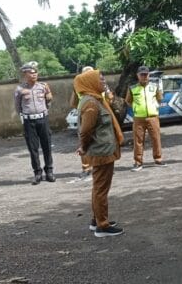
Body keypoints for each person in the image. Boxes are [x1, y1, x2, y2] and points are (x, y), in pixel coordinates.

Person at [74, 69, 124, 237]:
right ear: (91, 83)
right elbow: (85, 131)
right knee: (100, 189)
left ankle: (97, 220)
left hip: (104, 150)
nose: (104, 83)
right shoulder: (91, 103)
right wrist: (83, 146)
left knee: (99, 188)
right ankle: (102, 226)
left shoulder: (96, 99)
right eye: (100, 80)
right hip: (101, 151)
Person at [14, 61, 55, 185]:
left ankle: (49, 171)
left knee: (47, 145)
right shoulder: (20, 89)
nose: (34, 75)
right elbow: (17, 106)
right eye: (31, 73)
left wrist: (49, 97)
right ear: (25, 74)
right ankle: (37, 173)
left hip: (43, 119)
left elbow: (49, 101)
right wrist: (23, 117)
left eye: (35, 72)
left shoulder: (43, 86)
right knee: (33, 148)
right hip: (28, 121)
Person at [125, 66, 165, 172]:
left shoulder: (155, 86)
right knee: (138, 140)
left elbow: (160, 98)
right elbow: (128, 101)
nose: (144, 76)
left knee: (156, 138)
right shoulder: (132, 88)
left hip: (153, 117)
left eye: (146, 74)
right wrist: (136, 108)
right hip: (139, 118)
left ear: (149, 75)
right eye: (142, 74)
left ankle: (158, 159)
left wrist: (154, 106)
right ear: (138, 75)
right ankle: (138, 162)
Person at [69, 66, 95, 181]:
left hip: (99, 117)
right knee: (84, 141)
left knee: (100, 141)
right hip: (84, 116)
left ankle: (99, 166)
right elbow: (73, 103)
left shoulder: (99, 85)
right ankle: (86, 168)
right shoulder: (77, 87)